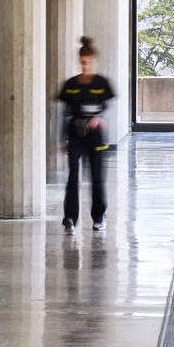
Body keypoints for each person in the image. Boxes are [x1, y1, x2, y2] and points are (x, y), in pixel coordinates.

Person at [57, 37, 116, 233]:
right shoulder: (71, 84)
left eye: (88, 62)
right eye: (82, 62)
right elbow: (64, 112)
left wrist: (99, 117)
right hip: (75, 134)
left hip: (95, 136)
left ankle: (99, 216)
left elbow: (106, 106)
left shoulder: (102, 83)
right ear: (79, 61)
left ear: (94, 61)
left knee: (97, 178)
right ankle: (69, 219)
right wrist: (62, 139)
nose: (85, 66)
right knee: (73, 178)